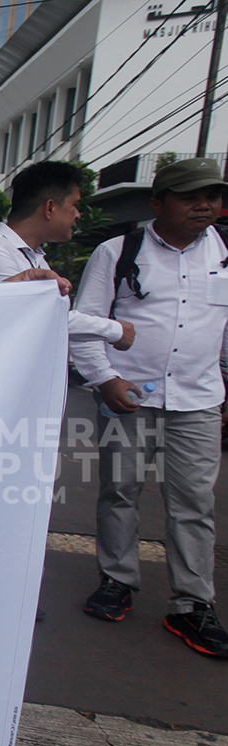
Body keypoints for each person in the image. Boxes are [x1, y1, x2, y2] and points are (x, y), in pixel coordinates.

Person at [70, 158, 228, 658]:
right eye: (189, 196)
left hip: (199, 400)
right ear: (158, 203)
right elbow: (86, 323)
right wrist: (105, 379)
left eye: (211, 195)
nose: (204, 205)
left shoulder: (225, 255)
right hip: (129, 398)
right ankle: (117, 580)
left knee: (194, 504)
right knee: (120, 490)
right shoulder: (118, 252)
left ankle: (192, 604)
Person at [0, 161, 134, 347]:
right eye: (74, 205)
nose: (78, 214)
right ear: (50, 208)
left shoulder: (33, 256)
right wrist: (114, 330)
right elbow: (37, 315)